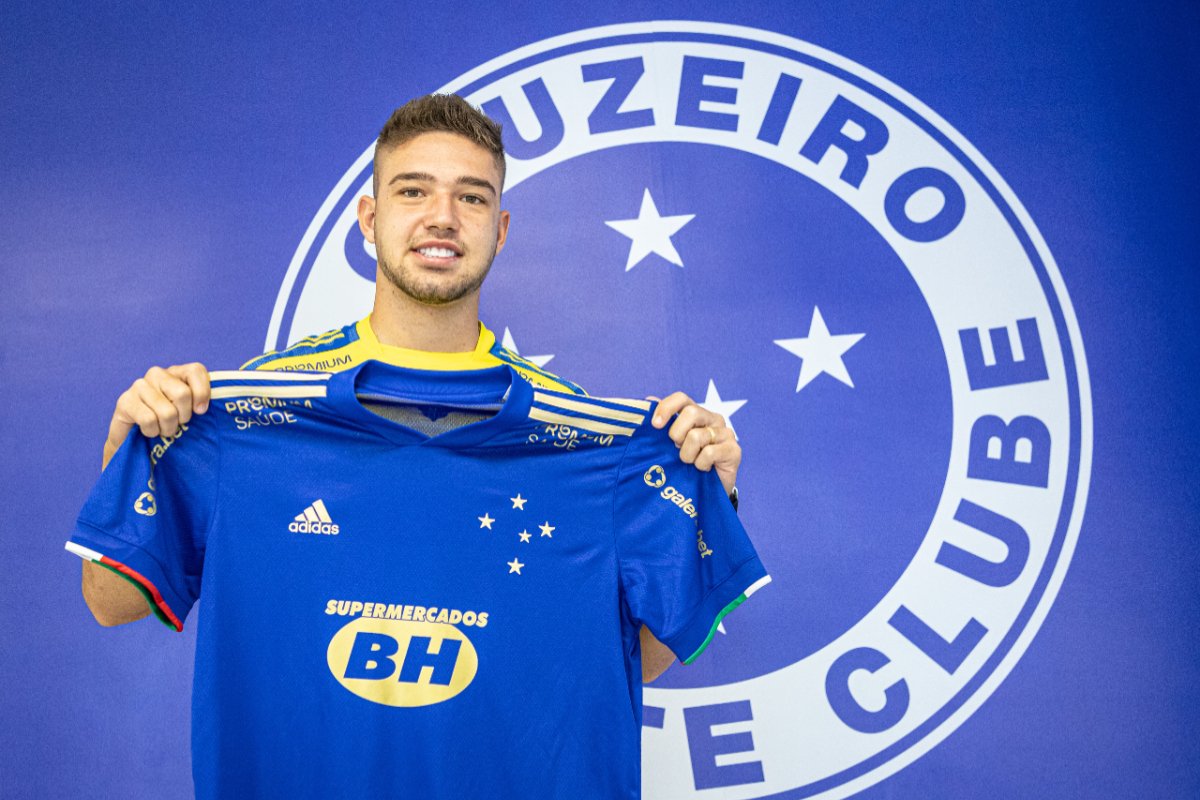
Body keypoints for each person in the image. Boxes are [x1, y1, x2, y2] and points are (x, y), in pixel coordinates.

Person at [71, 94, 763, 798]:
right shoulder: (249, 413)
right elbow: (110, 600)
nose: (442, 217)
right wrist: (127, 451)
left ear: (501, 229)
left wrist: (710, 493)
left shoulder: (588, 442)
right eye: (413, 190)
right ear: (371, 219)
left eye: (471, 197)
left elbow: (631, 658)